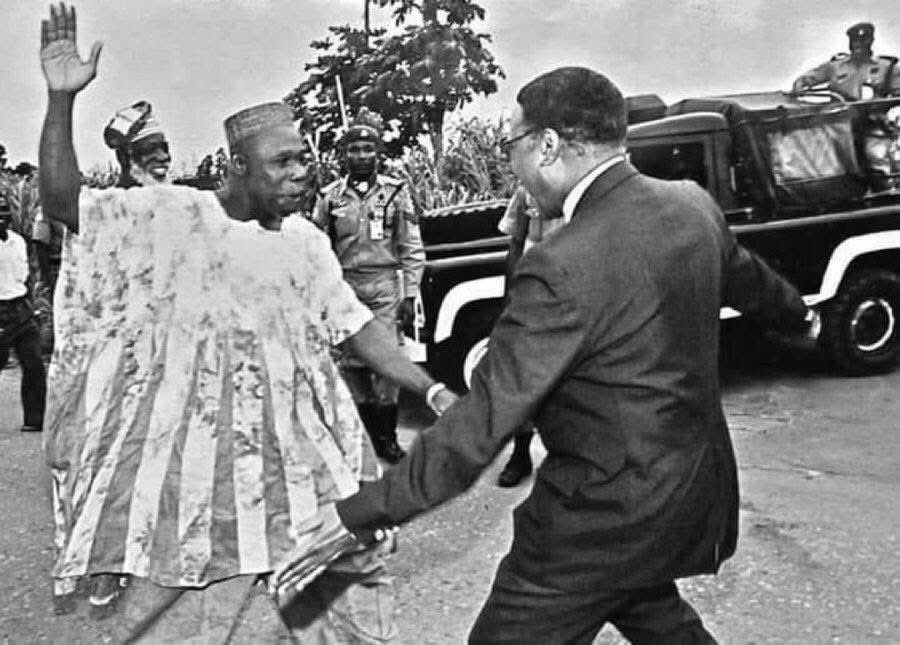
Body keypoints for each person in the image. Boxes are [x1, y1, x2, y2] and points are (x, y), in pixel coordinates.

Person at [332, 66, 815, 642]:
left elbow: (480, 424)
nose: (510, 163)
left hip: (598, 519)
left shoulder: (561, 262)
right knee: (652, 610)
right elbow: (754, 282)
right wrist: (802, 318)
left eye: (511, 145)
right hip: (686, 493)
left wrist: (359, 515)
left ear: (549, 144)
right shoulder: (692, 205)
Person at [38, 4, 455, 640]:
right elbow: (65, 201)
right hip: (198, 482)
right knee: (184, 629)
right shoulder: (170, 217)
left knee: (356, 624)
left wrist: (428, 387)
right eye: (282, 164)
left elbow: (354, 325)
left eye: (302, 160)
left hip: (300, 468)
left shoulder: (306, 243)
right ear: (238, 166)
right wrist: (61, 100)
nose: (301, 173)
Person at [312, 117, 426, 464]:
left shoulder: (395, 192)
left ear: (378, 154)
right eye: (353, 149)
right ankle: (368, 439)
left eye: (367, 149)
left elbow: (411, 245)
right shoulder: (329, 197)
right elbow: (318, 248)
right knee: (352, 364)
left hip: (384, 286)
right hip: (346, 286)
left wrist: (409, 293)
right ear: (342, 155)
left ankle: (388, 439)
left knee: (386, 363)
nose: (360, 155)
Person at [494, 185, 566, 487]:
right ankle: (521, 454)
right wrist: (510, 293)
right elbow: (516, 241)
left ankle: (567, 456)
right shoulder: (528, 191)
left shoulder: (588, 185)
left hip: (574, 290)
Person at [0, 192, 46, 433]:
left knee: (34, 364)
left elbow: (26, 276)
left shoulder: (18, 241)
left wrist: (32, 306)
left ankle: (35, 419)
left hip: (21, 309)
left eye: (5, 210)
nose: (2, 216)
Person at [792, 22, 900, 100]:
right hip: (838, 122)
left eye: (863, 40)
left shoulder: (888, 68)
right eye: (854, 41)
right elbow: (805, 79)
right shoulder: (835, 66)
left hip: (873, 123)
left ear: (871, 41)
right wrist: (799, 85)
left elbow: (897, 97)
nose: (858, 45)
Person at [102, 99, 172, 187]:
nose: (164, 157)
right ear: (123, 157)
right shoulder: (112, 200)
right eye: (150, 149)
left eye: (165, 148)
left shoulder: (183, 198)